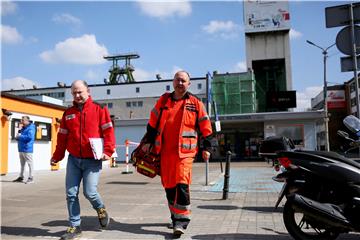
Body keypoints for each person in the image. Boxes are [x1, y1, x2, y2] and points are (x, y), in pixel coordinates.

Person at [144, 70, 214, 237]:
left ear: (188, 84)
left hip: (185, 153)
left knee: (182, 184)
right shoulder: (163, 101)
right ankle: (175, 216)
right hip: (165, 152)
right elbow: (152, 123)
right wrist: (148, 142)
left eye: (183, 81)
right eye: (177, 80)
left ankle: (181, 222)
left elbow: (206, 128)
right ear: (173, 82)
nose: (180, 83)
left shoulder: (196, 103)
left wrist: (207, 148)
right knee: (169, 186)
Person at [50, 80, 115, 240]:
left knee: (90, 192)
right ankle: (74, 225)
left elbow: (108, 132)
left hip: (92, 159)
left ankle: (100, 209)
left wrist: (108, 151)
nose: (77, 95)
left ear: (88, 91)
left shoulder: (99, 109)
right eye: (74, 93)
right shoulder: (68, 113)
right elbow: (62, 137)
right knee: (71, 193)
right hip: (74, 159)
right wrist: (57, 156)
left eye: (80, 92)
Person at [13, 116, 35, 184]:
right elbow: (18, 136)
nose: (21, 121)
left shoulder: (31, 127)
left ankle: (31, 178)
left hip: (27, 148)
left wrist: (20, 137)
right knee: (22, 164)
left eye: (22, 120)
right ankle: (21, 177)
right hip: (21, 148)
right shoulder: (22, 128)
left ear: (27, 121)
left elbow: (29, 137)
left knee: (30, 164)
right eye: (21, 120)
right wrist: (18, 132)